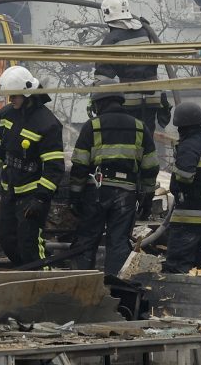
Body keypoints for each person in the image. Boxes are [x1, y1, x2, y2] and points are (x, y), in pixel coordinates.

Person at [0, 66, 65, 267]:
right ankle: (24, 275)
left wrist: (40, 199)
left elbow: (54, 168)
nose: (10, 100)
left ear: (27, 93)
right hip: (10, 192)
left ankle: (44, 284)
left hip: (32, 197)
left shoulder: (48, 124)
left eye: (14, 96)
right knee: (6, 239)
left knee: (30, 247)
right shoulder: (8, 114)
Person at [68, 92, 159, 275]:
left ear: (98, 104)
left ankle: (80, 285)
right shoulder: (140, 128)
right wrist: (147, 199)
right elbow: (150, 167)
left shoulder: (92, 127)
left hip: (96, 192)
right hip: (126, 194)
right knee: (118, 243)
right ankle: (116, 291)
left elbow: (79, 165)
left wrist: (75, 197)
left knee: (86, 241)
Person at [94, 0, 171, 136]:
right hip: (153, 98)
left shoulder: (111, 40)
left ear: (106, 13)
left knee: (130, 139)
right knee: (147, 139)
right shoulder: (145, 31)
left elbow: (103, 78)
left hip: (130, 101)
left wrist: (94, 99)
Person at [164, 102, 201, 274]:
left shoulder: (188, 146)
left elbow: (185, 176)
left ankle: (176, 299)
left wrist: (176, 184)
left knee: (178, 263)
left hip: (188, 216)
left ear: (180, 126)